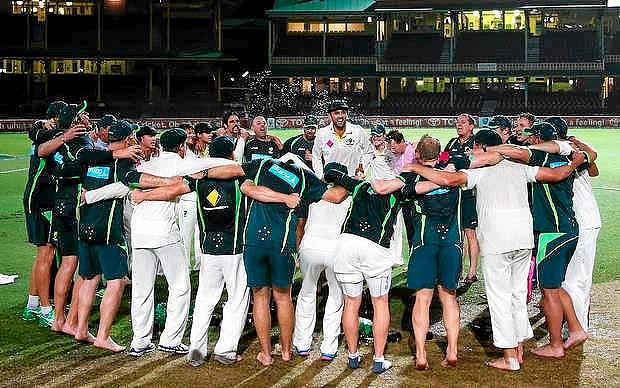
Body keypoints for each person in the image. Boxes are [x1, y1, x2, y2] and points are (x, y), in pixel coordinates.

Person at [406, 129, 586, 371]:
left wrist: (416, 168)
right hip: (523, 240)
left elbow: (447, 180)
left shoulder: (479, 171)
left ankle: (510, 357)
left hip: (496, 241)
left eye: (475, 148)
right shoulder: (519, 167)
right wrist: (575, 161)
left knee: (499, 298)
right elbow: (555, 175)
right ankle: (519, 349)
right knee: (517, 295)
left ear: (482, 147)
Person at [131, 136, 302, 366]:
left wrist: (143, 196)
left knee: (204, 300)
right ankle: (226, 350)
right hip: (235, 249)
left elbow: (172, 191)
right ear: (231, 155)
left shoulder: (199, 179)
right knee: (236, 301)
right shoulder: (241, 178)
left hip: (209, 249)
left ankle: (196, 351)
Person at [325, 162, 438, 374]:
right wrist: (448, 177)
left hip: (345, 245)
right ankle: (378, 359)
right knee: (380, 303)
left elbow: (331, 172)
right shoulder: (400, 191)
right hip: (374, 249)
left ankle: (352, 355)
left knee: (351, 303)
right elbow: (427, 186)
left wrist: (348, 177)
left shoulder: (358, 186)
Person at [75, 120, 178, 352]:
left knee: (90, 278)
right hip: (108, 229)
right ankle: (103, 336)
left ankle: (81, 328)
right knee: (117, 281)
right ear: (129, 138)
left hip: (86, 225)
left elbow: (82, 163)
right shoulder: (123, 160)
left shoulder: (94, 159)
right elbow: (128, 184)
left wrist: (89, 196)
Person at [492, 122, 588, 360]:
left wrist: (496, 147)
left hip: (551, 233)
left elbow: (515, 152)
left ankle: (556, 344)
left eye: (530, 137)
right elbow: (588, 156)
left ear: (537, 140)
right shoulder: (568, 159)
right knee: (556, 286)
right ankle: (575, 329)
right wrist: (576, 158)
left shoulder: (541, 158)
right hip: (569, 229)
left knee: (548, 291)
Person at [242, 159, 350, 366]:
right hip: (289, 245)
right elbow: (336, 198)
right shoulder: (311, 186)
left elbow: (247, 187)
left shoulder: (262, 174)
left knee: (261, 297)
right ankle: (288, 350)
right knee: (285, 297)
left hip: (257, 241)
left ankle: (269, 353)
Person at [533, 117, 601, 333]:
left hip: (582, 220)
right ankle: (572, 323)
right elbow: (594, 168)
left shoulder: (567, 155)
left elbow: (593, 163)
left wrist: (574, 146)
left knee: (576, 279)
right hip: (580, 219)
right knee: (573, 278)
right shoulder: (574, 154)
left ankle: (576, 329)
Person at [21, 100, 67, 324]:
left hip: (38, 200)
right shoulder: (43, 133)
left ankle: (32, 305)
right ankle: (46, 310)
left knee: (43, 255)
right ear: (55, 118)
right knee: (46, 255)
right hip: (41, 202)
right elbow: (36, 133)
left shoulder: (47, 132)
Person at [444, 113, 480, 283]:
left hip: (469, 193)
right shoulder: (451, 143)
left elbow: (478, 162)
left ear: (471, 126)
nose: (459, 125)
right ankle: (458, 269)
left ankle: (472, 272)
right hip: (453, 192)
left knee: (470, 232)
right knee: (457, 233)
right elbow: (442, 161)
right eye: (457, 122)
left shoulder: (476, 142)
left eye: (463, 123)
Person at [312, 99, 373, 180]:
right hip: (331, 180)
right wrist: (320, 175)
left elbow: (369, 151)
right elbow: (316, 156)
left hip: (353, 178)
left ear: (347, 115)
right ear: (330, 116)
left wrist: (362, 168)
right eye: (336, 113)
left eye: (343, 112)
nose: (340, 116)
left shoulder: (357, 130)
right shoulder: (322, 133)